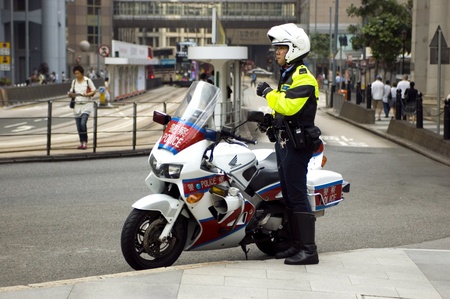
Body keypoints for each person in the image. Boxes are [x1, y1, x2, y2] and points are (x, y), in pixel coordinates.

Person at [256, 23, 319, 265]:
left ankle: (308, 249)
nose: (277, 52)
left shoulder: (303, 76)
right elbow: (286, 110)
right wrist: (271, 120)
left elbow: (289, 105)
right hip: (285, 142)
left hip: (297, 144)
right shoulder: (288, 74)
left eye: (281, 48)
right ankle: (296, 245)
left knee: (297, 194)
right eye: (277, 49)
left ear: (294, 48)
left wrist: (267, 94)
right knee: (289, 195)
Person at [68, 65, 96, 150]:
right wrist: (70, 94)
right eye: (75, 74)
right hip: (77, 106)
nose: (77, 75)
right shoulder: (74, 82)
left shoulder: (88, 81)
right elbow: (71, 92)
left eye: (78, 73)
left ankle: (85, 142)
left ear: (82, 73)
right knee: (78, 126)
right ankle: (81, 142)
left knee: (83, 123)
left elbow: (94, 90)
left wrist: (87, 94)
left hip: (86, 105)